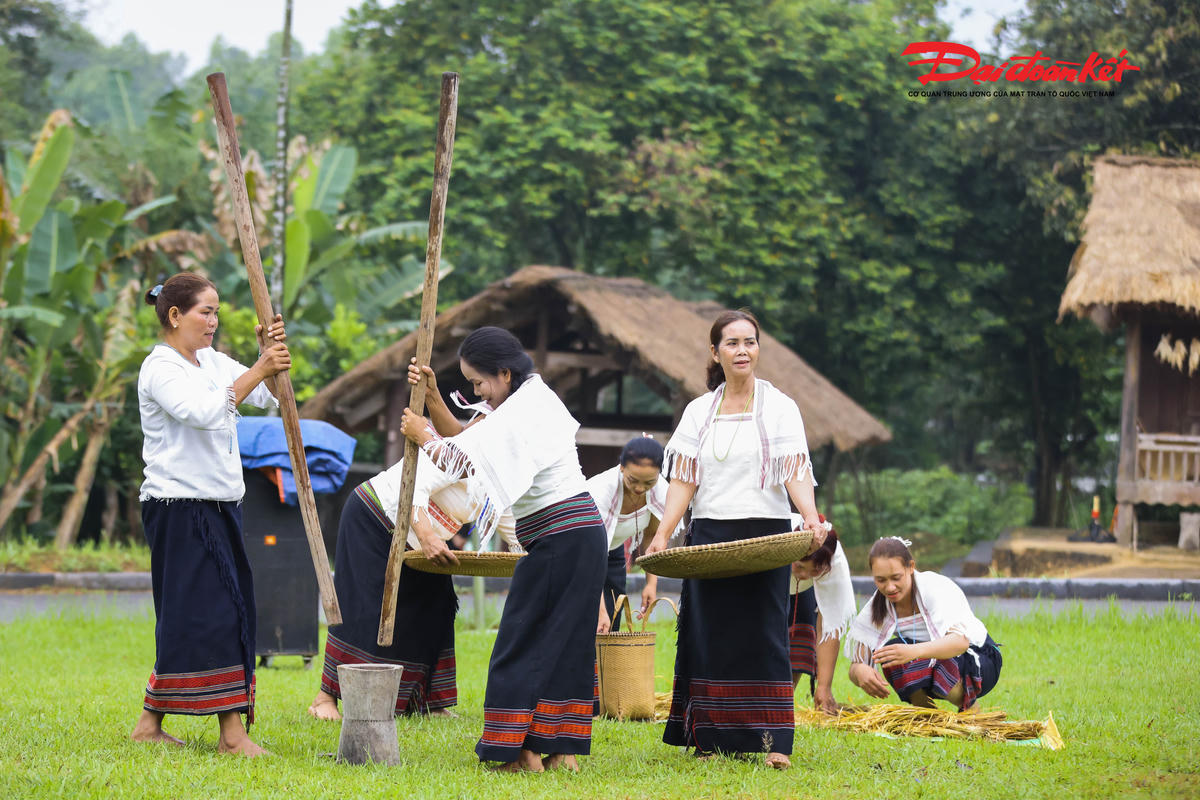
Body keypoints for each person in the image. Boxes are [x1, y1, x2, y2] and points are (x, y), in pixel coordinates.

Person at [400, 327, 606, 773]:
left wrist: (424, 435)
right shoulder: (526, 399)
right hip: (576, 535)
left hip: (561, 535)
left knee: (522, 640)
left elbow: (465, 462)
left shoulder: (526, 408)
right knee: (561, 642)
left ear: (505, 373)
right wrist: (434, 399)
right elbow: (472, 442)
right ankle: (557, 749)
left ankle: (521, 751)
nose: (476, 392)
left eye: (478, 383)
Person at [643, 309, 823, 770]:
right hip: (710, 535)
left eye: (750, 342)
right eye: (732, 343)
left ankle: (775, 740)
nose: (742, 351)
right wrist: (663, 534)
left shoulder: (781, 406)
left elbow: (795, 470)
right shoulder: (698, 411)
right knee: (710, 633)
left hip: (766, 534)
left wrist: (808, 517)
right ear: (715, 352)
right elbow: (684, 480)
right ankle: (712, 736)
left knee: (766, 632)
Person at [131, 272, 291, 757]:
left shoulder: (214, 362)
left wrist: (275, 360)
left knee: (195, 615)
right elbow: (203, 411)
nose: (214, 321)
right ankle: (232, 735)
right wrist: (259, 369)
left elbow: (274, 397)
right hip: (179, 508)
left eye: (217, 311)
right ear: (175, 315)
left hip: (218, 504)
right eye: (206, 311)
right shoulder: (161, 368)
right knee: (217, 614)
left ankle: (148, 723)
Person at [307, 449, 517, 721]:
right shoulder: (463, 448)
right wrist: (427, 535)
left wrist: (532, 554)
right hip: (376, 517)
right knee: (363, 608)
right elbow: (415, 482)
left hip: (423, 540)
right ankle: (325, 698)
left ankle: (428, 701)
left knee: (437, 606)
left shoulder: (508, 482)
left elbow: (514, 528)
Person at [846, 537, 1002, 712]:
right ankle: (927, 715)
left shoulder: (935, 588)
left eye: (896, 578)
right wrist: (860, 671)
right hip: (938, 661)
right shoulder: (878, 606)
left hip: (980, 659)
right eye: (881, 580)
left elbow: (960, 642)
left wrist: (912, 652)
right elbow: (855, 664)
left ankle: (970, 709)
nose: (890, 587)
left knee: (932, 657)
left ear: (911, 567)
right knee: (891, 651)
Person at [586, 436, 681, 635]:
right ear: (622, 468)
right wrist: (599, 611)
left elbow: (651, 536)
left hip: (614, 551)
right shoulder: (600, 492)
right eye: (633, 480)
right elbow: (591, 557)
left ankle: (604, 667)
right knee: (590, 620)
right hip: (582, 553)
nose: (639, 488)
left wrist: (651, 584)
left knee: (612, 621)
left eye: (648, 482)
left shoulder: (660, 490)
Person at [786, 513, 855, 715]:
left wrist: (824, 687)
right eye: (800, 566)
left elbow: (829, 625)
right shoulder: (775, 539)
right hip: (766, 578)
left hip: (802, 592)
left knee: (802, 631)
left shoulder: (834, 562)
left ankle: (781, 703)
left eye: (813, 571)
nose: (804, 574)